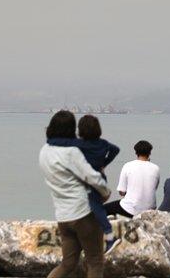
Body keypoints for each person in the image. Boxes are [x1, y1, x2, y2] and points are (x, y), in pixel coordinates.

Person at [39, 110, 111, 278]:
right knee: (95, 262)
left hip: (63, 216)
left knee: (68, 264)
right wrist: (105, 192)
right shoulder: (71, 152)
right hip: (84, 214)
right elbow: (92, 177)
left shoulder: (44, 151)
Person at [46, 114, 121, 247]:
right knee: (93, 206)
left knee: (94, 206)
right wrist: (104, 163)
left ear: (80, 130)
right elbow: (116, 150)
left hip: (87, 180)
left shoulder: (80, 144)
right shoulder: (103, 143)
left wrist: (51, 141)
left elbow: (63, 143)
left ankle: (109, 236)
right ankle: (92, 234)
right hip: (100, 176)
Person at [103, 140, 160, 218]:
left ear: (136, 152)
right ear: (150, 153)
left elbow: (122, 192)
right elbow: (153, 188)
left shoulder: (128, 166)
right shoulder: (156, 168)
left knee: (102, 209)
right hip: (149, 210)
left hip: (130, 210)